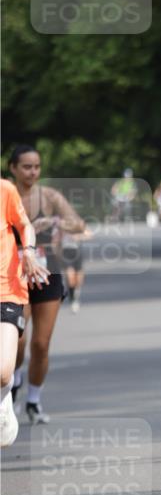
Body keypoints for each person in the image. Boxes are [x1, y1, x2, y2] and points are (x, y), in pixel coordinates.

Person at [9, 145, 86, 422]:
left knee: (41, 344)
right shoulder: (7, 194)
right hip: (13, 275)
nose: (33, 172)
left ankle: (33, 400)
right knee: (17, 341)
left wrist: (54, 222)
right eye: (27, 167)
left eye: (37, 166)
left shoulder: (49, 197)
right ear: (13, 168)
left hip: (47, 273)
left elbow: (78, 224)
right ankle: (14, 381)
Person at [1, 179, 50, 446]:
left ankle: (5, 394)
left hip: (6, 290)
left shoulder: (5, 190)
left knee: (3, 372)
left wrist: (29, 253)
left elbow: (25, 225)